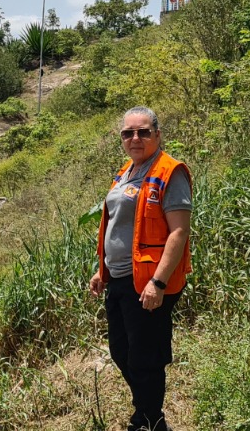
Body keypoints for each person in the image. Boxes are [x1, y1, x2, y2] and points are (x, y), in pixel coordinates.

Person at [88, 106, 192, 431]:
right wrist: (101, 270)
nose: (135, 138)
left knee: (144, 358)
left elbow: (179, 231)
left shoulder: (169, 171)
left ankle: (146, 420)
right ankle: (149, 411)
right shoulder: (125, 172)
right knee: (121, 351)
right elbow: (119, 226)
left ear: (157, 135)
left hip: (147, 281)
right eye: (127, 133)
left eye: (143, 131)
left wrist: (158, 283)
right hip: (118, 279)